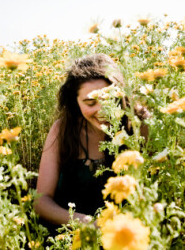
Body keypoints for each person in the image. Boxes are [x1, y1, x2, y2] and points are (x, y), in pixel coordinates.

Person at [34, 54, 147, 234]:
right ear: (75, 102)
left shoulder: (140, 124)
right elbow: (41, 201)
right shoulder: (63, 130)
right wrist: (90, 224)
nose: (102, 110)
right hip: (71, 235)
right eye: (90, 102)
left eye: (108, 99)